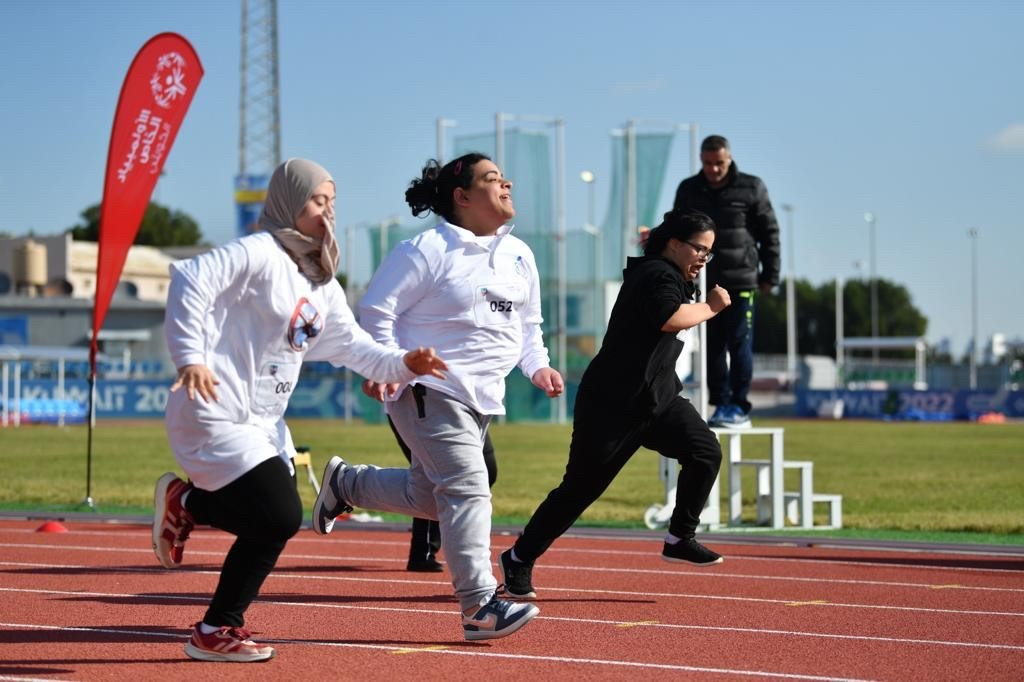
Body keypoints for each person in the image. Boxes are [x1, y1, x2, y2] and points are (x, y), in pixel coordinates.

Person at [153, 158, 448, 663]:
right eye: (317, 200)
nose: (327, 211)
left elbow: (355, 347)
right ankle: (215, 626)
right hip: (214, 407)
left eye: (332, 201)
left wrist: (404, 363)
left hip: (264, 423)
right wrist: (191, 358)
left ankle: (190, 514)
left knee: (273, 521)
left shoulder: (319, 282)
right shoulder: (259, 252)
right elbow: (190, 280)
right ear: (290, 202)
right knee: (278, 515)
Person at [313, 152, 564, 641]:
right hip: (428, 388)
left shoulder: (520, 255)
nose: (507, 183)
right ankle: (480, 606)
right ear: (463, 196)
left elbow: (527, 326)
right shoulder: (424, 250)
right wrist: (385, 366)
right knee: (469, 487)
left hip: (483, 399)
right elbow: (376, 311)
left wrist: (537, 366)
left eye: (505, 177)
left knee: (427, 496)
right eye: (493, 179)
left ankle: (346, 483)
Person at [499, 209, 730, 600]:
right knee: (579, 490)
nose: (704, 259)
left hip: (657, 398)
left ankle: (679, 537)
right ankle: (519, 558)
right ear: (674, 243)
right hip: (613, 404)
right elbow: (669, 317)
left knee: (705, 451)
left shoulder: (669, 273)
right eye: (699, 250)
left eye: (709, 253)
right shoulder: (656, 274)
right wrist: (711, 306)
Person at [672, 135, 780, 428]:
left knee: (740, 343)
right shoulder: (689, 189)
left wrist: (770, 275)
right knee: (712, 347)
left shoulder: (751, 187)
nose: (713, 169)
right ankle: (720, 403)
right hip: (705, 281)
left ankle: (739, 406)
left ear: (729, 158)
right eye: (707, 163)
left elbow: (769, 233)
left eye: (719, 163)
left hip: (742, 281)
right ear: (700, 160)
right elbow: (677, 231)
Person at [364, 381, 497, 573]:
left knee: (486, 471)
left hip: (469, 399)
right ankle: (424, 551)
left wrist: (538, 366)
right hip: (423, 397)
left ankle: (346, 483)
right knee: (439, 474)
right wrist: (391, 369)